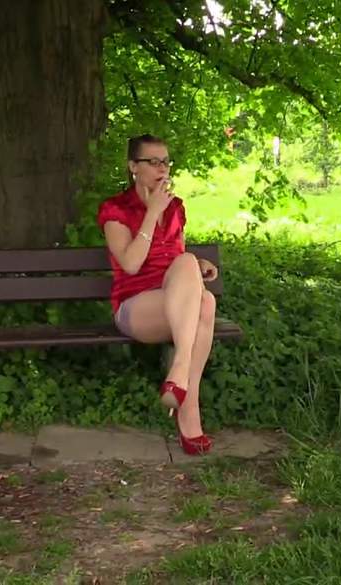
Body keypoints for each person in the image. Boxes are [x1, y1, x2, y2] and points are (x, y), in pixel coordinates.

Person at [97, 134, 219, 456]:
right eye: (152, 162)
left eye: (165, 161)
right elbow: (131, 264)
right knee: (204, 303)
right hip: (135, 307)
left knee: (204, 296)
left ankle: (180, 387)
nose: (162, 168)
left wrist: (198, 266)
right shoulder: (115, 209)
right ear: (133, 167)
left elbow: (176, 258)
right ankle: (184, 385)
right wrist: (151, 213)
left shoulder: (176, 208)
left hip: (173, 301)